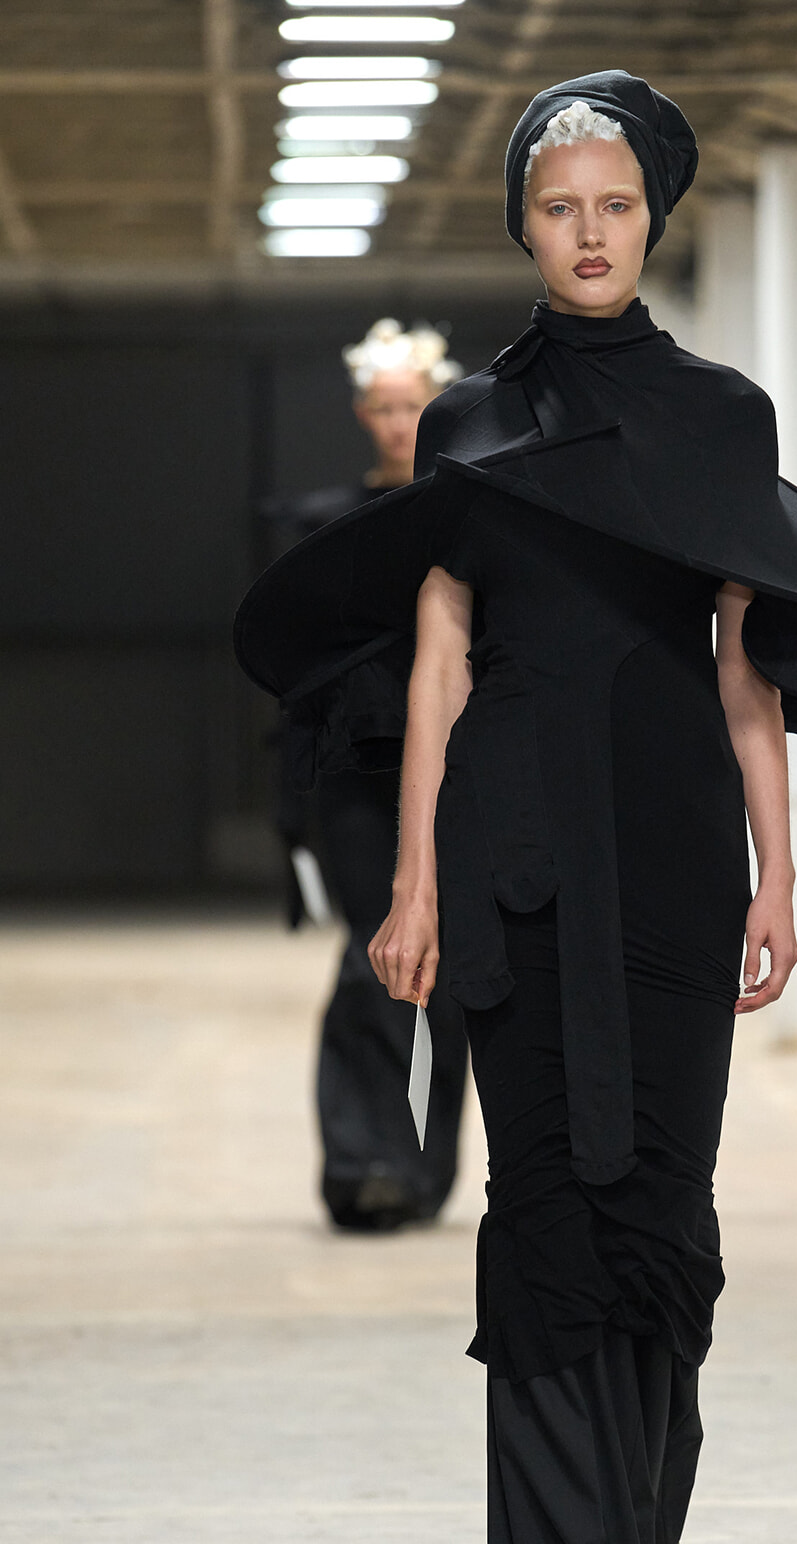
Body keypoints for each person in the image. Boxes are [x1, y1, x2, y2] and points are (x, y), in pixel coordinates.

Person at [236, 70, 797, 1544]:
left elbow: (748, 659)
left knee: (663, 1216)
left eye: (616, 204)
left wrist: (782, 867)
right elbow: (435, 660)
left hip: (681, 854)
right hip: (512, 844)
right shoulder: (470, 422)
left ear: (655, 214)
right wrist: (411, 879)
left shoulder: (722, 419)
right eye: (559, 207)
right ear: (524, 223)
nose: (589, 233)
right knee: (547, 1206)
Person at [269, 322, 469, 1234]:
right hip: (356, 774)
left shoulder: (472, 515)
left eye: (413, 405)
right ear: (363, 414)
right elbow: (292, 673)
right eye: (384, 408)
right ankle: (360, 1164)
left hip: (459, 772)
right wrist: (291, 809)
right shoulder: (323, 526)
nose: (399, 422)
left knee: (452, 968)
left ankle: (420, 1173)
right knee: (370, 958)